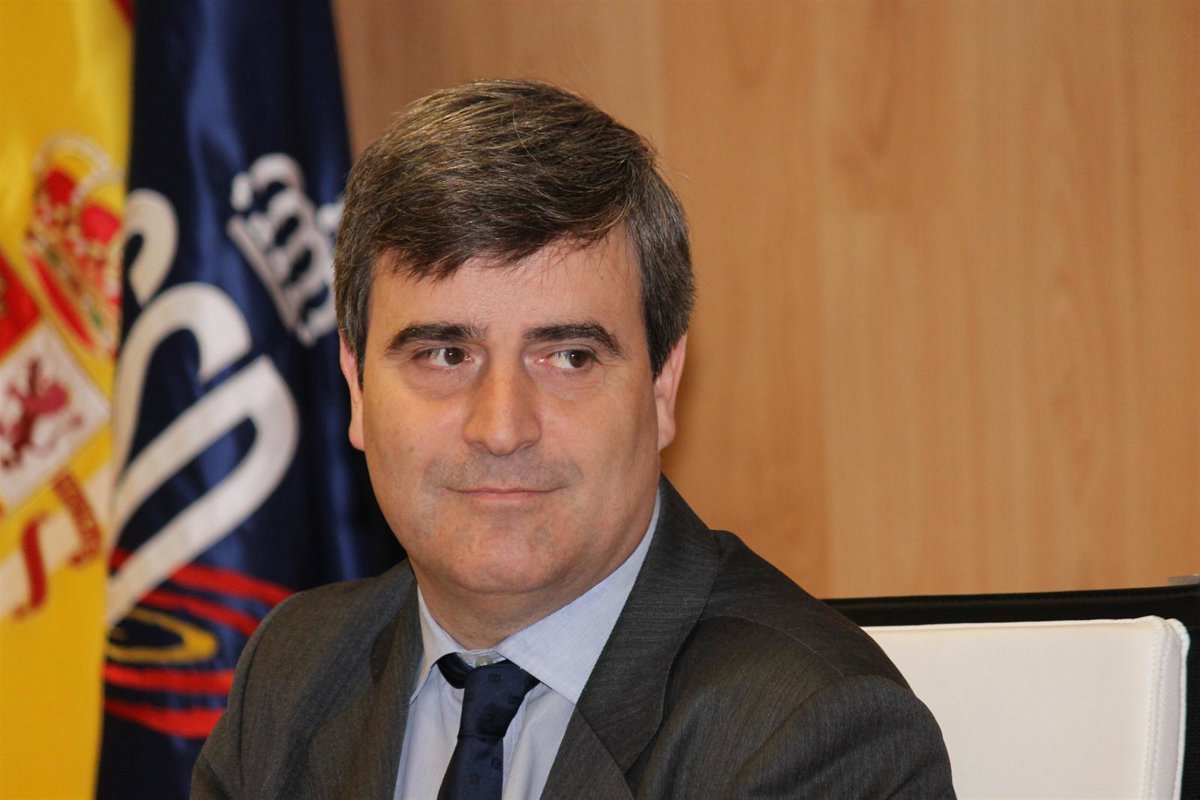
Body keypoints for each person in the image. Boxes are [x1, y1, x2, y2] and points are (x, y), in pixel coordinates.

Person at [192, 79, 954, 799]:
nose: (501, 429)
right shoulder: (291, 675)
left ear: (662, 385)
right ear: (357, 388)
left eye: (569, 358)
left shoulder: (806, 730)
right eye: (445, 355)